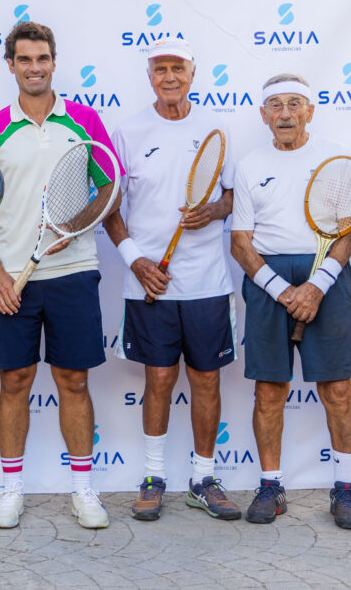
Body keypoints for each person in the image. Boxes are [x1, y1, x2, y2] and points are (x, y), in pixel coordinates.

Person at [0, 21, 121, 529]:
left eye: (42, 59)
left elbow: (110, 187)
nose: (34, 68)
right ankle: (11, 489)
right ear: (11, 65)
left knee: (73, 380)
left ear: (54, 62)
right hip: (12, 278)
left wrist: (75, 225)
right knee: (14, 381)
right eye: (25, 60)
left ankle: (83, 489)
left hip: (73, 271)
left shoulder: (84, 120)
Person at [102, 37, 240, 522]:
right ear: (149, 76)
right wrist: (135, 261)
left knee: (206, 380)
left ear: (192, 73)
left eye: (178, 68)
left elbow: (231, 198)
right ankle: (154, 477)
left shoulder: (216, 129)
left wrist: (214, 211)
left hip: (207, 283)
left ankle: (204, 479)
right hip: (149, 284)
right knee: (158, 379)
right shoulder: (128, 132)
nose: (170, 77)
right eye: (160, 69)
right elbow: (109, 207)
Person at [229, 73, 351, 530]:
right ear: (263, 114)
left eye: (294, 104)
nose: (285, 113)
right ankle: (271, 486)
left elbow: (348, 231)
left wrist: (316, 285)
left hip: (327, 278)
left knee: (337, 389)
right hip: (269, 282)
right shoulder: (249, 165)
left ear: (310, 110)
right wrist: (283, 291)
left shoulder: (335, 158)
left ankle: (345, 488)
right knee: (269, 390)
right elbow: (241, 243)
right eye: (276, 105)